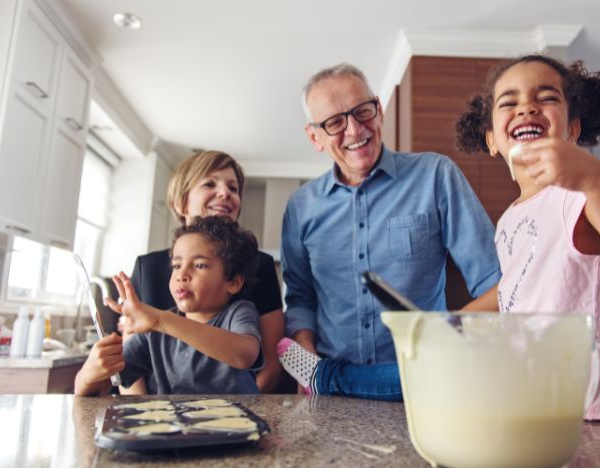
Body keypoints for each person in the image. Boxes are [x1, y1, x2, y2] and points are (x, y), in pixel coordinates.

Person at [455, 54, 600, 425]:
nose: (527, 108)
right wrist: (455, 319)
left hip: (598, 407)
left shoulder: (582, 196)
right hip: (541, 398)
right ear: (492, 140)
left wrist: (595, 178)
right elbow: (516, 287)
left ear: (571, 130)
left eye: (546, 98)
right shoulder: (509, 220)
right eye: (509, 102)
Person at [278, 63, 501, 400]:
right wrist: (305, 359)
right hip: (334, 401)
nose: (354, 130)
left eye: (362, 112)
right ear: (315, 137)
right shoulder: (300, 207)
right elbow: (300, 298)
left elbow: (496, 283)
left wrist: (441, 333)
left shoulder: (435, 176)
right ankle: (323, 376)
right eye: (335, 122)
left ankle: (327, 377)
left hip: (422, 378)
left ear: (379, 110)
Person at [129, 150, 284, 393]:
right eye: (210, 183)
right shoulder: (146, 268)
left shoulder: (260, 265)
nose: (226, 193)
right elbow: (129, 366)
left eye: (233, 188)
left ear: (235, 281)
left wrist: (239, 413)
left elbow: (269, 367)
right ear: (181, 202)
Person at [74, 216, 263, 395]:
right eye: (177, 266)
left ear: (233, 282)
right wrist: (88, 374)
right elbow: (98, 386)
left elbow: (245, 355)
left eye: (199, 265)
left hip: (236, 427)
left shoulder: (238, 312)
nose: (182, 275)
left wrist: (161, 320)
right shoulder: (156, 330)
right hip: (172, 428)